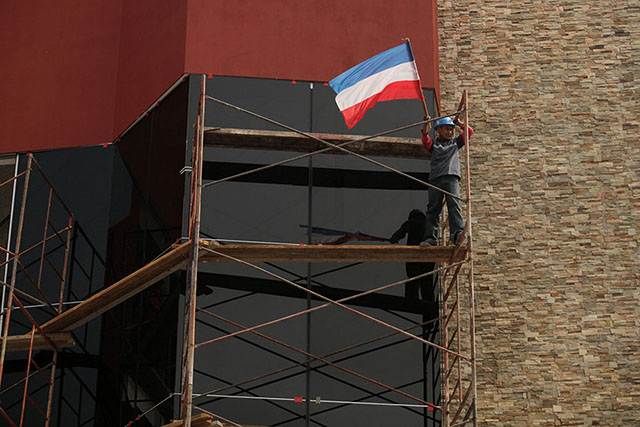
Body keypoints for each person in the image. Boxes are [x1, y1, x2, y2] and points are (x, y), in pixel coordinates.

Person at [421, 115, 474, 246]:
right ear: (438, 129)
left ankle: (456, 235)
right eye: (446, 129)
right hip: (436, 179)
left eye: (451, 129)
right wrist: (425, 126)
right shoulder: (434, 145)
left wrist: (460, 123)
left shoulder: (455, 143)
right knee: (433, 209)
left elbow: (469, 132)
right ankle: (431, 238)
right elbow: (425, 140)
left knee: (454, 206)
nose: (449, 132)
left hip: (451, 178)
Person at [389, 209, 437, 303]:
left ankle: (412, 297)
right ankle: (428, 301)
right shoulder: (428, 224)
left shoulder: (411, 222)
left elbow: (400, 233)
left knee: (413, 276)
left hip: (413, 255)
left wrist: (393, 239)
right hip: (428, 257)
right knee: (426, 279)